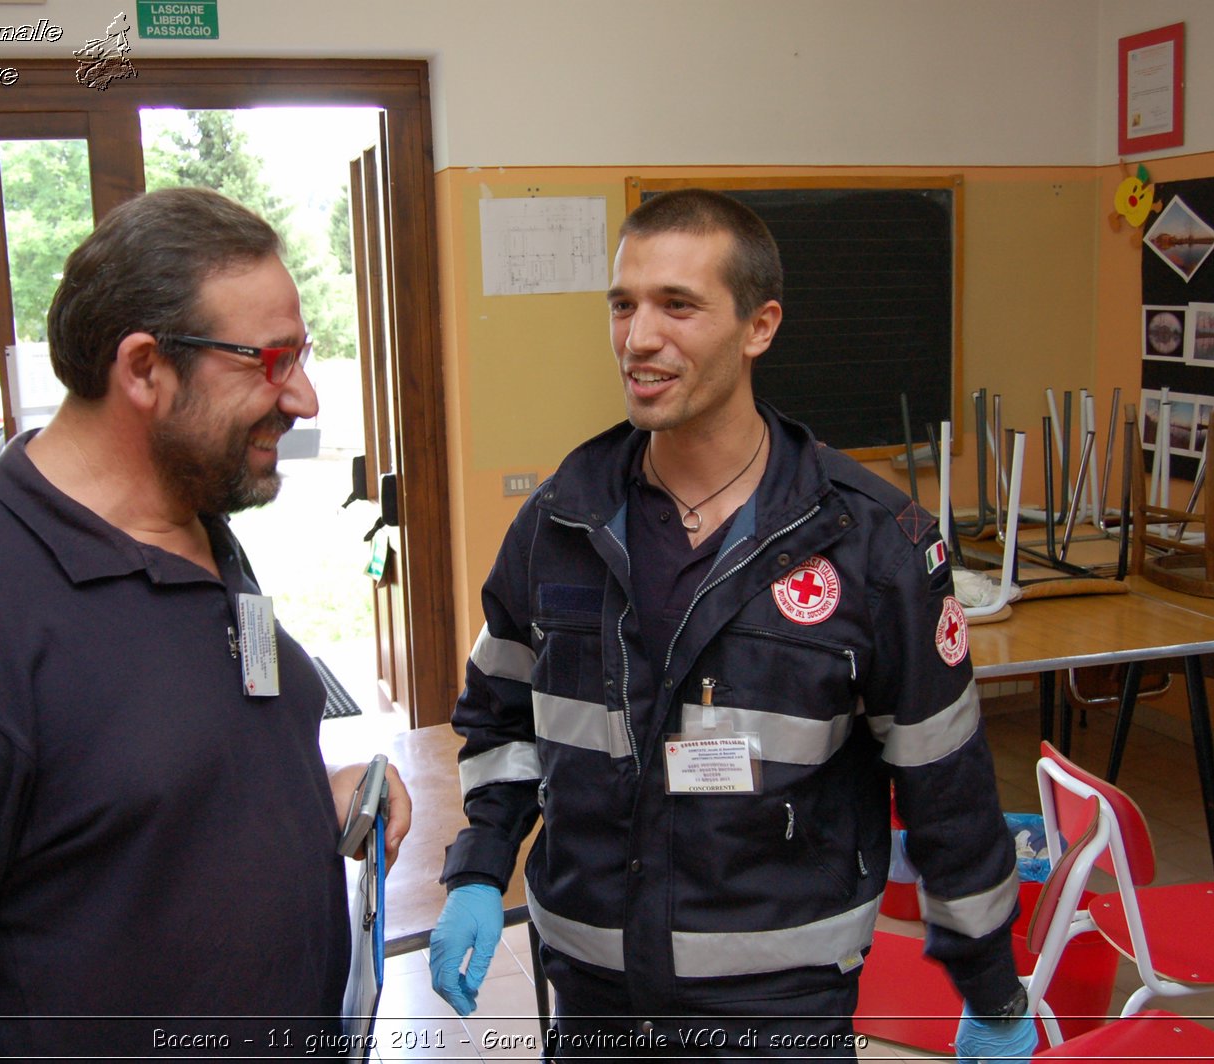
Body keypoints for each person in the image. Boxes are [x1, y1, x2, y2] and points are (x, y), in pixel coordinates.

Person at [428, 188, 1034, 1060]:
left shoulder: (870, 542)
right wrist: (483, 866)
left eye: (678, 306)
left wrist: (991, 987)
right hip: (593, 997)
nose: (639, 339)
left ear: (759, 326)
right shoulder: (563, 521)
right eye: (624, 305)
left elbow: (945, 782)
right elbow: (500, 715)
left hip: (776, 1009)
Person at [0, 186, 409, 1060]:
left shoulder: (201, 531)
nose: (306, 397)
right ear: (142, 370)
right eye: (271, 360)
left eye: (301, 355)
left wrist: (315, 800)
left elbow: (140, 806)